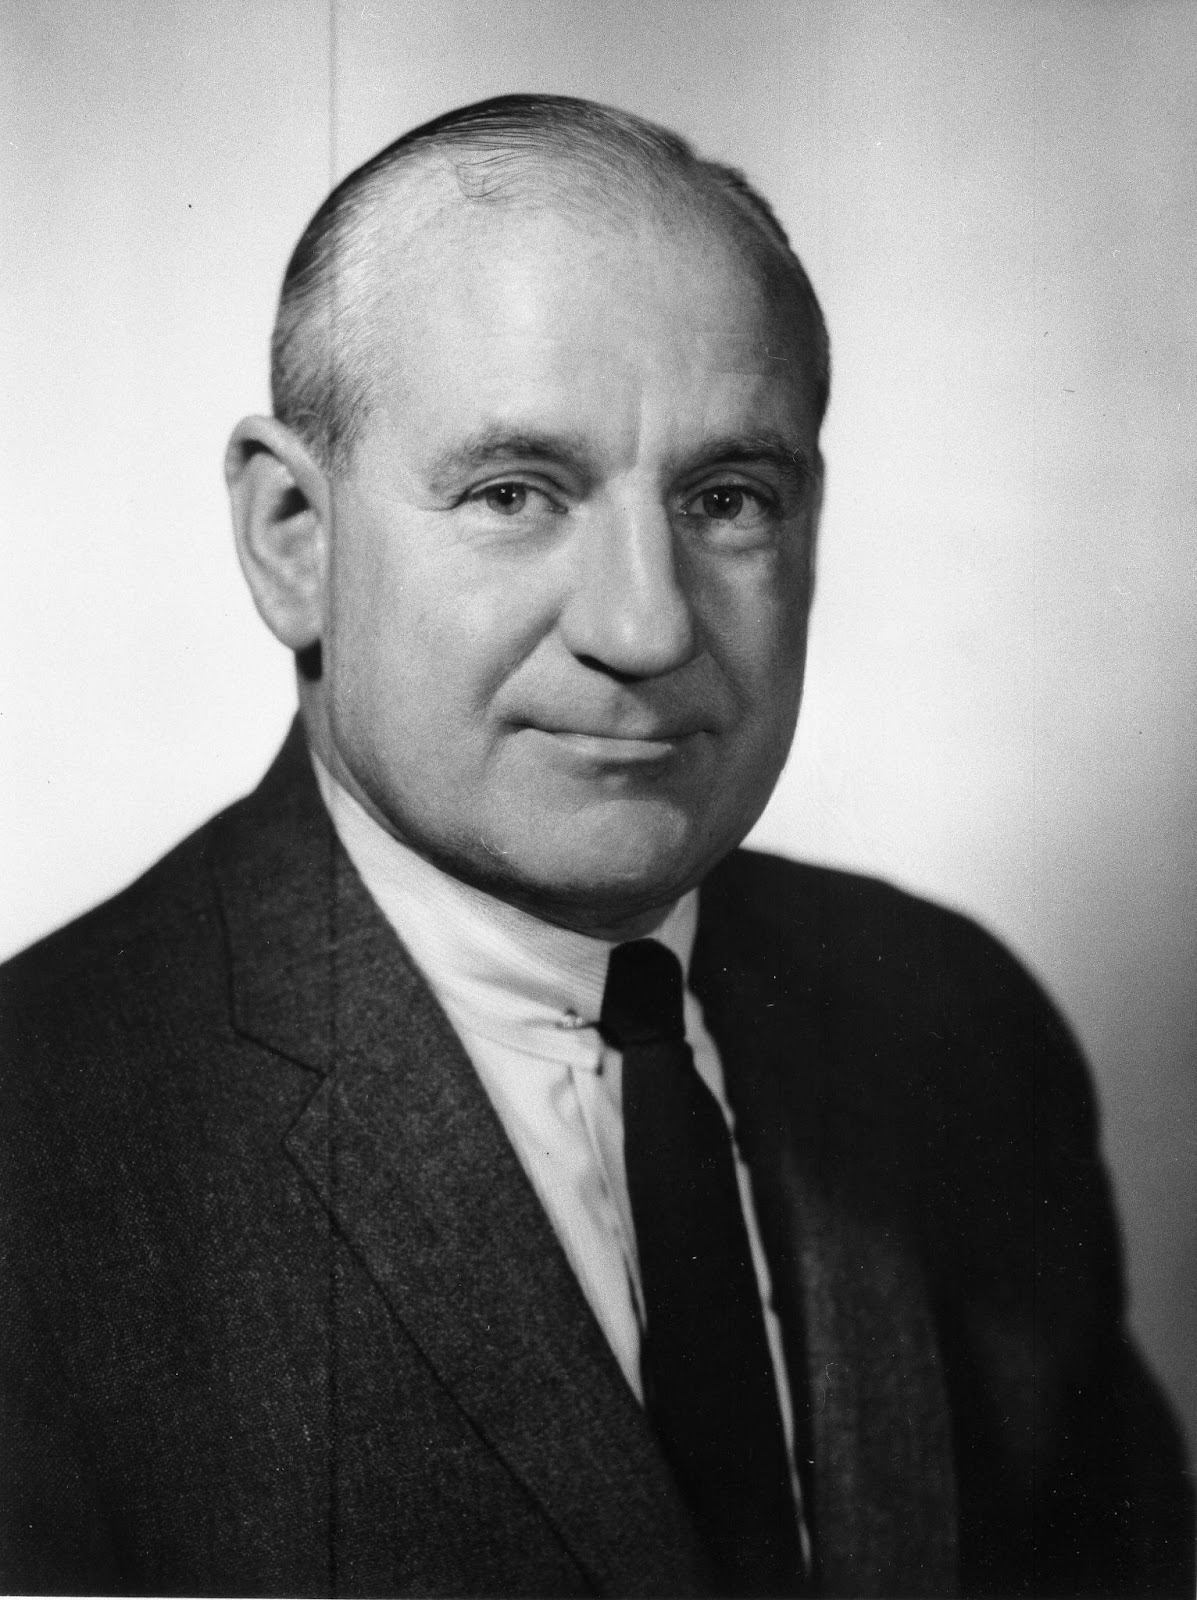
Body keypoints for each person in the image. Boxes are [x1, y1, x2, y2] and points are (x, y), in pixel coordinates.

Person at [0, 93, 1191, 1599]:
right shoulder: (38, 1154)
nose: (645, 625)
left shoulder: (952, 1025)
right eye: (515, 493)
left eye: (724, 499)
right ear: (293, 536)